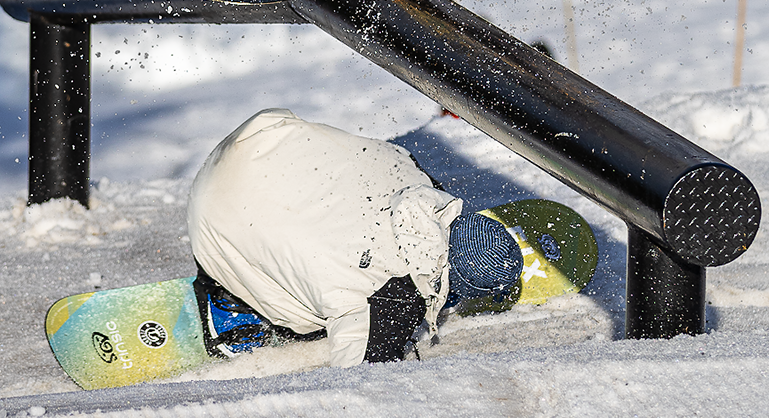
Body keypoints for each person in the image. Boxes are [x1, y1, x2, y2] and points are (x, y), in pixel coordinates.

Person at [187, 108, 524, 366]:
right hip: (213, 221)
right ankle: (232, 303)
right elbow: (359, 379)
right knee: (314, 319)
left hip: (247, 144)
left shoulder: (412, 171)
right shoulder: (391, 300)